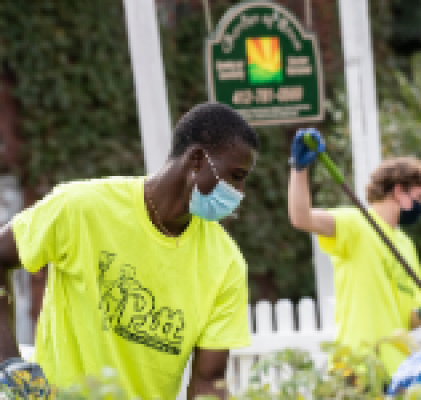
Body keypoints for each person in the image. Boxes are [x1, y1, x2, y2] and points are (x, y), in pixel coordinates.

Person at [0, 102, 259, 399]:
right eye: (236, 176)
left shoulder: (226, 264)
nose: (239, 193)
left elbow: (208, 382)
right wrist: (9, 362)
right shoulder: (81, 208)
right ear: (198, 160)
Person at [288, 128, 421, 378]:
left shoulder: (405, 244)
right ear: (399, 192)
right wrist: (298, 169)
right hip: (357, 369)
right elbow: (301, 218)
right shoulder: (355, 225)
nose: (420, 207)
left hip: (399, 372)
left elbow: (408, 319)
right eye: (418, 198)